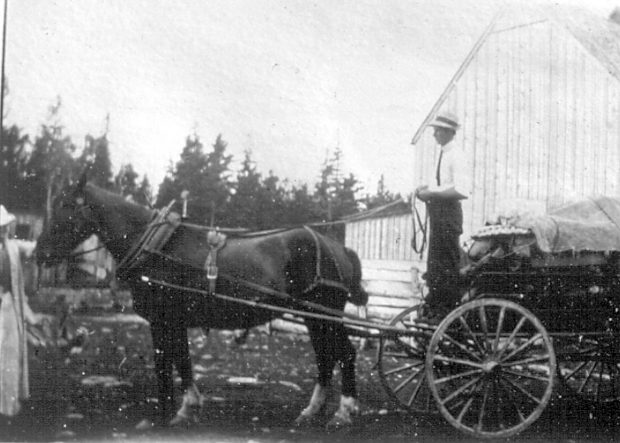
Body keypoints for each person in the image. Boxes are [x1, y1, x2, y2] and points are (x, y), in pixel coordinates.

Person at [415, 111, 471, 321]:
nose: (434, 134)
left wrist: (432, 193)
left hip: (448, 216)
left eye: (437, 130)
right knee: (436, 264)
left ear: (448, 132)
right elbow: (443, 186)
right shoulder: (444, 154)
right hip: (439, 216)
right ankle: (437, 305)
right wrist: (427, 189)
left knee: (446, 266)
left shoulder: (457, 155)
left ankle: (447, 310)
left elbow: (461, 190)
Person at [0, 205, 44, 417]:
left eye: (5, 227)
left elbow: (34, 248)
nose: (3, 231)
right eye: (0, 227)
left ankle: (8, 405)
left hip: (9, 306)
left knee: (10, 353)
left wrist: (46, 243)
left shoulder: (13, 246)